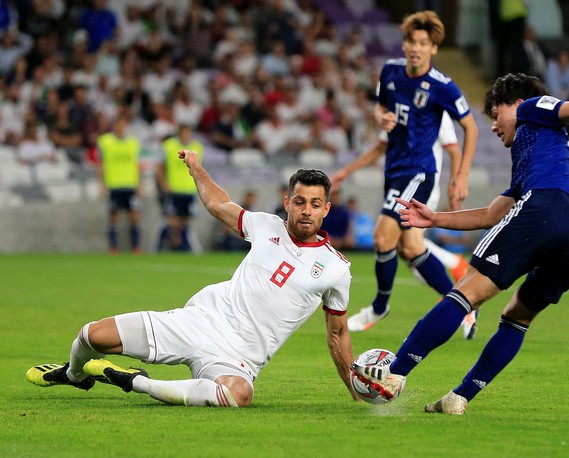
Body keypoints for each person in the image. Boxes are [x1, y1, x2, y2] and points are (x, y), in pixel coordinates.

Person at [352, 68, 569, 414]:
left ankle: (393, 374)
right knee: (518, 315)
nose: (493, 124)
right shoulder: (540, 155)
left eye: (496, 113)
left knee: (466, 292)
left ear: (517, 104)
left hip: (546, 205)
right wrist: (435, 218)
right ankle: (459, 398)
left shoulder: (532, 107)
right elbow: (490, 214)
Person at [26, 159, 359, 407]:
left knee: (238, 395)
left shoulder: (335, 268)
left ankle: (132, 380)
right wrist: (197, 169)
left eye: (315, 204)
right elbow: (217, 204)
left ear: (326, 209)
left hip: (237, 358)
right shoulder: (264, 225)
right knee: (91, 335)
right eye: (299, 202)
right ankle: (73, 375)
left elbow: (338, 334)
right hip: (199, 322)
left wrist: (356, 392)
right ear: (287, 202)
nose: (306, 211)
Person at [330, 11, 477, 333]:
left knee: (383, 236)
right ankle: (464, 304)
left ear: (433, 48)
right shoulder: (391, 71)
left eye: (423, 43)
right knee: (410, 247)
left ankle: (379, 307)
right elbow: (380, 107)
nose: (416, 48)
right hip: (394, 171)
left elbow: (470, 127)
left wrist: (461, 174)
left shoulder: (443, 87)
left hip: (420, 172)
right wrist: (379, 116)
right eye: (411, 41)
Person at [96, 115, 142, 254]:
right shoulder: (105, 142)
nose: (120, 128)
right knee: (113, 217)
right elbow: (101, 164)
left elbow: (136, 164)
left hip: (130, 185)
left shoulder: (133, 143)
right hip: (114, 185)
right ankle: (113, 248)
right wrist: (102, 184)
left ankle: (136, 247)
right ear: (114, 126)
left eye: (123, 125)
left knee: (134, 216)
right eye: (118, 125)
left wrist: (139, 183)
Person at [155, 124, 204, 252]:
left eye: (188, 133)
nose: (186, 135)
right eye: (184, 132)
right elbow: (160, 166)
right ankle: (159, 246)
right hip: (174, 190)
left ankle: (181, 247)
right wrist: (163, 183)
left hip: (189, 189)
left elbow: (199, 169)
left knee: (186, 220)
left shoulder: (197, 147)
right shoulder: (169, 146)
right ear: (179, 133)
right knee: (172, 220)